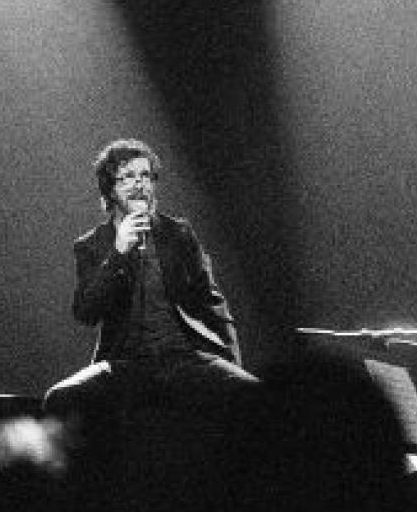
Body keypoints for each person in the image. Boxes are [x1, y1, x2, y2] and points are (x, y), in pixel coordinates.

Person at [43, 139, 257, 425]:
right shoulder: (93, 245)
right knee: (60, 398)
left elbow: (213, 302)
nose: (138, 184)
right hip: (124, 364)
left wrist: (231, 361)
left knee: (256, 396)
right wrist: (118, 252)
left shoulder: (178, 234)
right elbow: (86, 312)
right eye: (128, 176)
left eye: (145, 176)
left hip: (184, 358)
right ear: (110, 188)